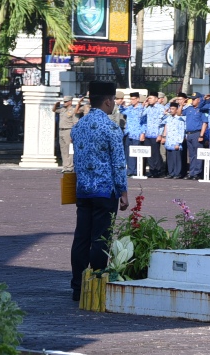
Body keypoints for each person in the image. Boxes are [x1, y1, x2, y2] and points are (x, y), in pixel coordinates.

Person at [69, 81, 127, 302]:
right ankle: (96, 284)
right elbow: (118, 163)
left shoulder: (79, 126)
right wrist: (123, 191)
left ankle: (77, 287)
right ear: (108, 101)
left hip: (83, 190)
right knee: (101, 239)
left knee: (81, 238)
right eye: (113, 101)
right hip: (105, 191)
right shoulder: (111, 127)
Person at [54, 95, 84, 173]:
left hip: (68, 131)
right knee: (63, 149)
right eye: (64, 101)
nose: (64, 103)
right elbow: (54, 110)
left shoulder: (73, 110)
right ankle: (65, 166)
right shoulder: (62, 110)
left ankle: (70, 167)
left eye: (66, 101)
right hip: (61, 131)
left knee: (70, 150)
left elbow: (75, 123)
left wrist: (73, 134)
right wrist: (56, 105)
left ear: (70, 102)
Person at [161, 103, 186, 178]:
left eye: (173, 109)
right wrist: (164, 113)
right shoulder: (168, 118)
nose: (171, 110)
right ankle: (170, 173)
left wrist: (178, 143)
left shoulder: (180, 119)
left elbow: (181, 131)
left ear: (176, 110)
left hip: (176, 141)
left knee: (177, 158)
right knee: (170, 158)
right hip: (169, 141)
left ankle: (177, 173)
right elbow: (161, 122)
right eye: (170, 109)